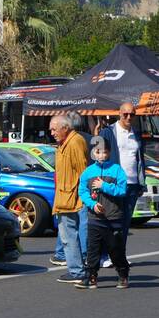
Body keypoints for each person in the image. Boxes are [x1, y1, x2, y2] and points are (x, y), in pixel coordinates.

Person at [76, 138, 131, 290]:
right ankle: (91, 276)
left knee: (115, 249)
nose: (102, 155)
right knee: (93, 249)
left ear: (110, 152)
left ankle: (123, 274)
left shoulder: (117, 170)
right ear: (93, 153)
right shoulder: (88, 172)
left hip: (113, 217)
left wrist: (104, 186)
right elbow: (82, 191)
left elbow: (122, 191)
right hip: (95, 218)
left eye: (105, 152)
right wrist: (92, 204)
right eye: (98, 152)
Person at [49, 114, 90, 283]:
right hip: (66, 198)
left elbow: (83, 171)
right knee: (69, 236)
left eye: (54, 129)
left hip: (72, 198)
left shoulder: (74, 142)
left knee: (69, 236)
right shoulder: (65, 143)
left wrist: (84, 196)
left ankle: (77, 272)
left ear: (65, 128)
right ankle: (78, 269)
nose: (51, 132)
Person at [99, 102, 146, 249]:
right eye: (125, 114)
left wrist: (141, 183)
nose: (128, 117)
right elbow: (98, 157)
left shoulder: (136, 134)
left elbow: (140, 159)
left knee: (125, 223)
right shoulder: (108, 132)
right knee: (110, 220)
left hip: (131, 185)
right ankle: (105, 255)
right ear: (119, 114)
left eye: (132, 114)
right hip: (113, 183)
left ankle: (119, 256)